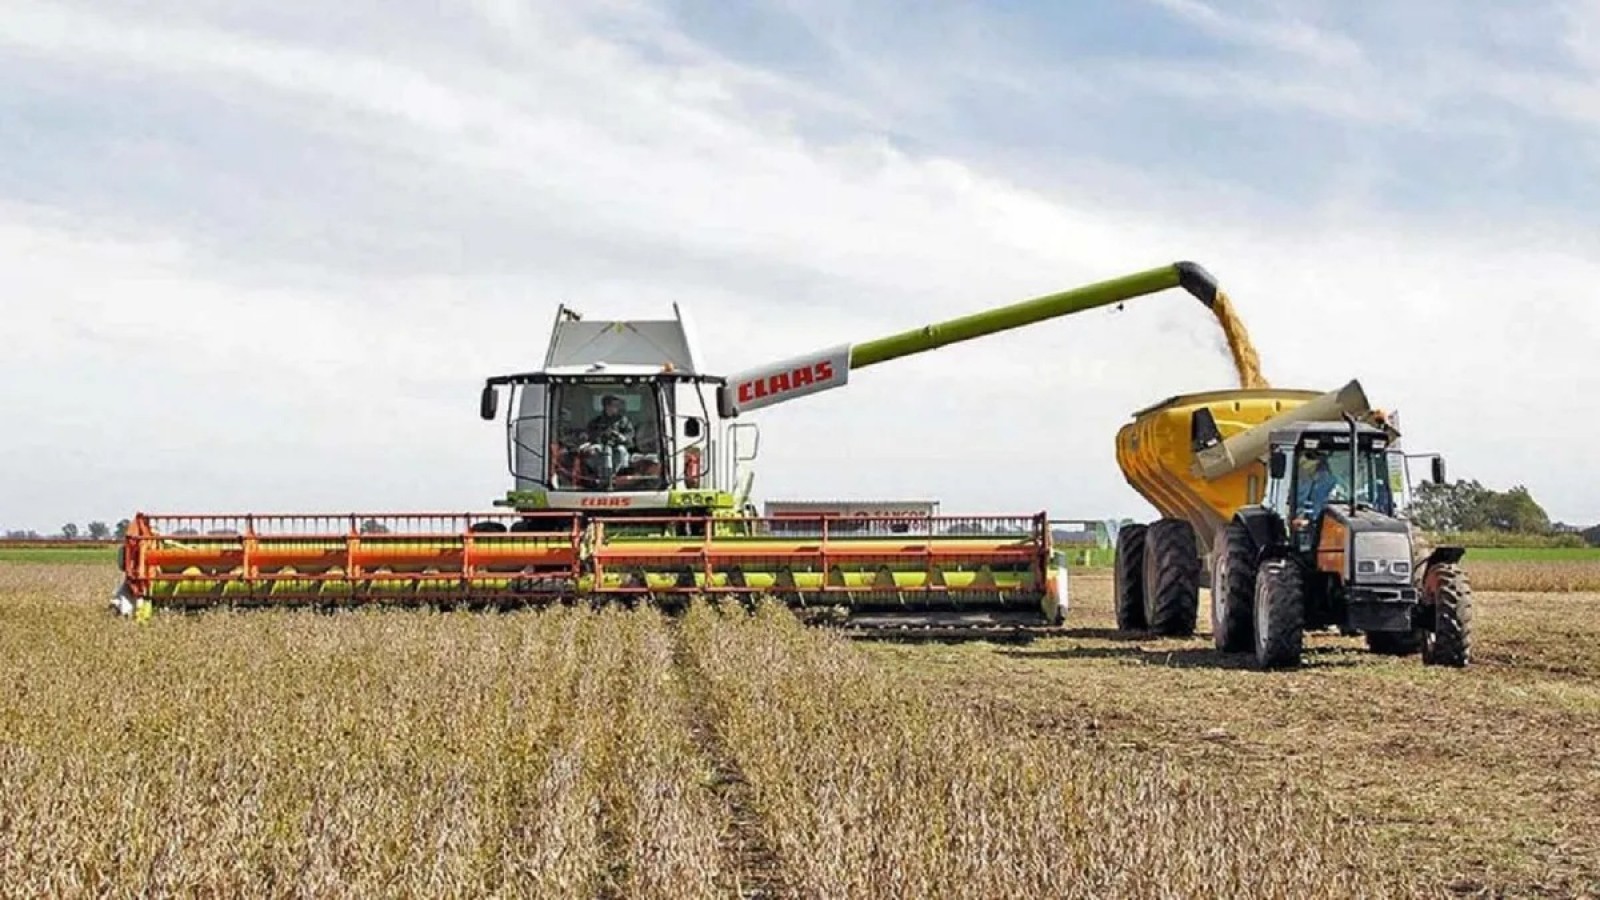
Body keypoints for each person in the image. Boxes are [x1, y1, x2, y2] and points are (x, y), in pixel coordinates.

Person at [580, 394, 635, 482]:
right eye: (610, 405)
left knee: (621, 450)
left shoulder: (624, 421)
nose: (613, 408)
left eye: (616, 406)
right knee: (594, 451)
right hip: (600, 448)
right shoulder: (596, 422)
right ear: (605, 406)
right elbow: (589, 435)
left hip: (617, 448)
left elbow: (630, 437)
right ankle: (599, 476)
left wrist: (621, 437)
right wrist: (595, 439)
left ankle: (611, 477)